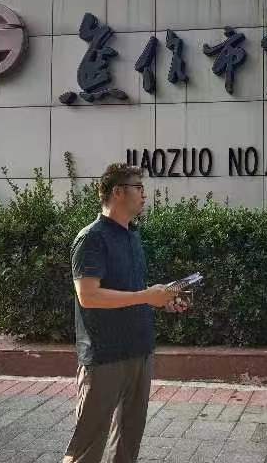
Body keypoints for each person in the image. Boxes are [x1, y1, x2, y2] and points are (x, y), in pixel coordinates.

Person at [63, 163, 189, 463]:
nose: (144, 195)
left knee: (128, 442)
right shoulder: (91, 238)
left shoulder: (131, 235)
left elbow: (130, 292)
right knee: (87, 448)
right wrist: (146, 296)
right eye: (139, 188)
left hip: (139, 351)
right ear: (118, 192)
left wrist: (161, 300)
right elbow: (88, 296)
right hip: (104, 357)